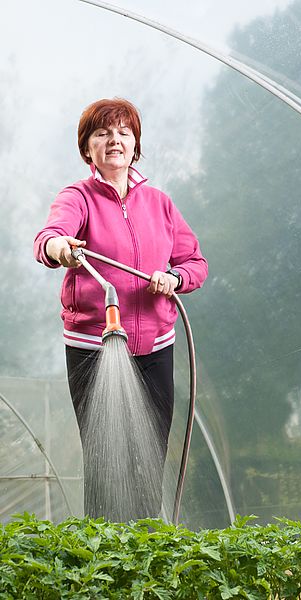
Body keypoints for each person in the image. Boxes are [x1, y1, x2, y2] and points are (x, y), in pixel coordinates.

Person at [34, 97, 208, 518]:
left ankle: (147, 554)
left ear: (136, 145)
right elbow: (49, 238)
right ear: (87, 149)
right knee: (104, 459)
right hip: (93, 346)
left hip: (155, 349)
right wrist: (62, 249)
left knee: (150, 457)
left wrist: (175, 279)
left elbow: (195, 263)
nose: (115, 141)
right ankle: (102, 557)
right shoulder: (77, 197)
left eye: (124, 132)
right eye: (102, 133)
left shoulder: (160, 204)